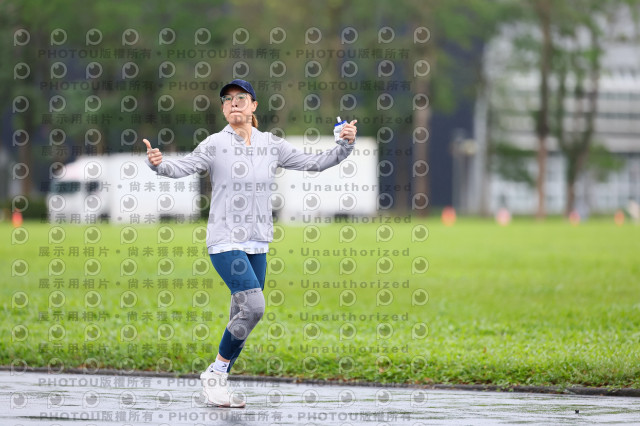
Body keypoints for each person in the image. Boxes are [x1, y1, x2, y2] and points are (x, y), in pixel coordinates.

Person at [143, 79, 358, 408]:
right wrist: (157, 164)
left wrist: (344, 145)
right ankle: (215, 374)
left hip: (258, 242)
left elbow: (314, 163)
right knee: (255, 307)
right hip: (224, 240)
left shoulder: (271, 144)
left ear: (254, 105)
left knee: (243, 316)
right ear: (223, 109)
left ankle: (218, 383)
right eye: (227, 99)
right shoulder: (215, 144)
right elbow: (182, 166)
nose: (233, 103)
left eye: (240, 98)